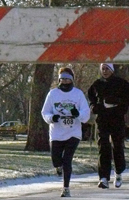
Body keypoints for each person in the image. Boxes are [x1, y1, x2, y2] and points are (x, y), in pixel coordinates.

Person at [41, 67, 90, 197]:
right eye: (62, 79)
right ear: (59, 80)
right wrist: (52, 118)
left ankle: (66, 188)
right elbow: (45, 112)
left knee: (67, 160)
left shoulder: (78, 94)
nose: (65, 82)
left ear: (72, 80)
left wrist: (77, 114)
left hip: (73, 132)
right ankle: (58, 167)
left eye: (67, 79)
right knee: (56, 160)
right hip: (56, 133)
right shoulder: (52, 94)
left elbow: (86, 115)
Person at [88, 63, 129, 189]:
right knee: (103, 146)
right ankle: (103, 178)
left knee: (117, 145)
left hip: (116, 118)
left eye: (107, 69)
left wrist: (119, 103)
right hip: (102, 119)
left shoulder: (121, 83)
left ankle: (118, 172)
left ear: (112, 70)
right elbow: (91, 98)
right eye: (103, 69)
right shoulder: (97, 84)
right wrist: (94, 106)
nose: (104, 71)